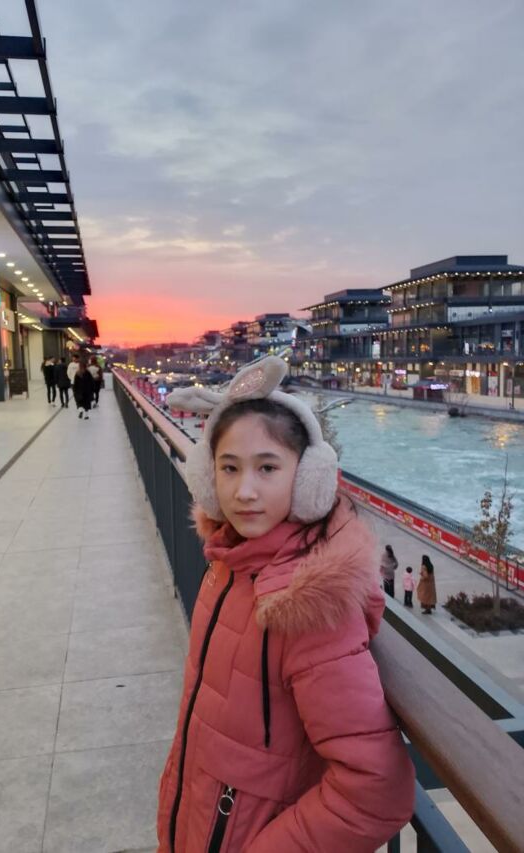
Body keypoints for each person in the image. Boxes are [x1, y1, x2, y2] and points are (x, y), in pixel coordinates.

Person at [157, 356, 415, 852]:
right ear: (207, 479)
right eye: (228, 468)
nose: (244, 491)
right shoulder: (230, 564)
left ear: (309, 480)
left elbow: (376, 791)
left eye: (268, 468)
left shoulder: (308, 604)